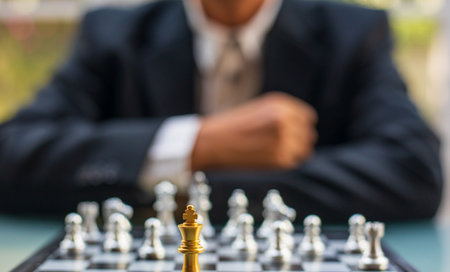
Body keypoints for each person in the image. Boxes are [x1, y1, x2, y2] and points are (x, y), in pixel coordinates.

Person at [0, 0, 443, 222]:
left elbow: (414, 173)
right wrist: (197, 142)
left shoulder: (355, 32)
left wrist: (170, 186)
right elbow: (11, 155)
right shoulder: (112, 34)